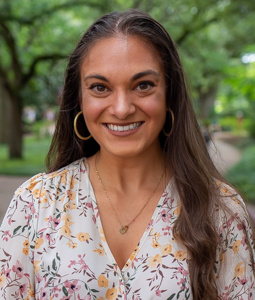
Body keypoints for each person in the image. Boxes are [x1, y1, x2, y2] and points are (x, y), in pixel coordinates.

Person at [0, 10, 254, 300]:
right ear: (79, 99)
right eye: (100, 87)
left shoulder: (221, 210)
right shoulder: (34, 205)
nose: (121, 109)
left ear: (169, 93)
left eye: (143, 85)